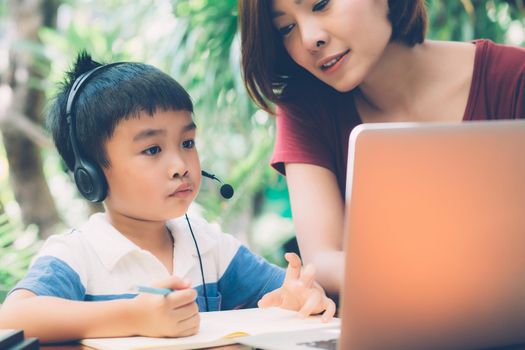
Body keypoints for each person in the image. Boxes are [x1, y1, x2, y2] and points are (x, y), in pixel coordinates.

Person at [0, 52, 335, 343]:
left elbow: (281, 290)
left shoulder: (209, 245)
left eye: (187, 143)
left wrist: (298, 297)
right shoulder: (78, 253)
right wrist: (134, 317)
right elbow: (12, 318)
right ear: (91, 176)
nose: (180, 166)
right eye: (152, 149)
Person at [238, 0, 525, 295]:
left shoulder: (514, 78)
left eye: (321, 4)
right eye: (286, 28)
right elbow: (321, 261)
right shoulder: (306, 108)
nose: (310, 39)